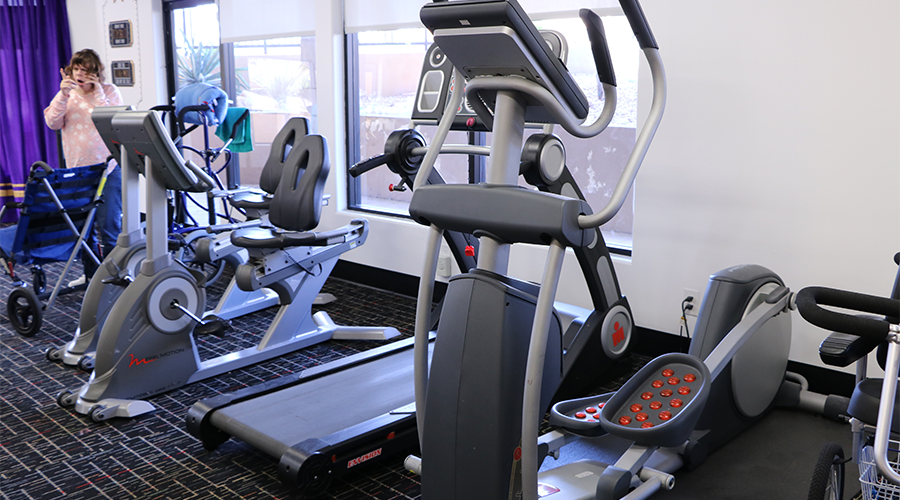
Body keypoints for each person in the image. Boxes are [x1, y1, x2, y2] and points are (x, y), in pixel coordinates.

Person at [44, 49, 124, 284]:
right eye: (77, 69)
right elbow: (52, 123)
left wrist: (98, 91)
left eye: (86, 70)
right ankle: (91, 276)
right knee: (83, 229)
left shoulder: (109, 92)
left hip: (107, 169)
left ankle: (113, 277)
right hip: (78, 172)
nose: (80, 74)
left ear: (96, 73)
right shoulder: (66, 94)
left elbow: (111, 121)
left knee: (109, 226)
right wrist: (62, 94)